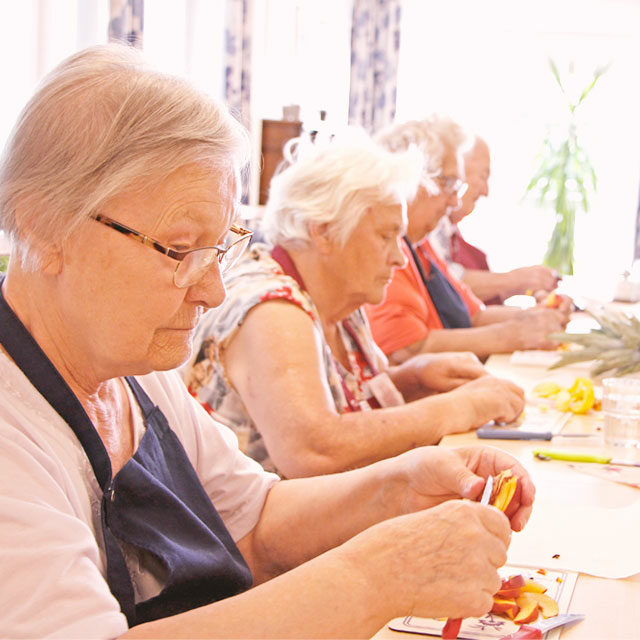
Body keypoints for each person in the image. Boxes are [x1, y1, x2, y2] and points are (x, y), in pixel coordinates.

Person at [0, 44, 535, 639]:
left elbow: (252, 521)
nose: (210, 291)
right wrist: (380, 575)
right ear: (44, 227)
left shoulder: (127, 363)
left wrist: (399, 486)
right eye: (179, 251)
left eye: (220, 247)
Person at [185, 130, 525, 478]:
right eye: (385, 236)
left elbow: (340, 397)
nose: (400, 258)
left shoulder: (338, 299)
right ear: (324, 232)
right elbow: (315, 450)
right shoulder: (271, 308)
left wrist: (415, 378)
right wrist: (458, 407)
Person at [365, 116, 572, 364]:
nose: (455, 201)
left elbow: (474, 315)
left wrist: (535, 318)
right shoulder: (387, 252)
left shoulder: (421, 245)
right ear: (412, 180)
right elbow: (406, 349)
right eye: (449, 184)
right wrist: (514, 335)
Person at [430, 135, 561, 305]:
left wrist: (529, 287)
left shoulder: (451, 231)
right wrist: (514, 280)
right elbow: (443, 283)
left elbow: (472, 304)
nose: (486, 191)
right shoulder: (428, 232)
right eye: (483, 177)